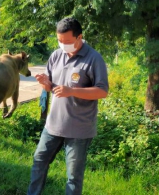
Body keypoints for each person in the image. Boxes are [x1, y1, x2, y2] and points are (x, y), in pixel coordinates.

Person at [27, 17, 109, 195]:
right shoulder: (56, 55)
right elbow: (51, 87)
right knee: (39, 161)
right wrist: (44, 83)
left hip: (79, 129)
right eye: (59, 40)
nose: (62, 45)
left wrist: (72, 91)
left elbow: (102, 91)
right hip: (53, 125)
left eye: (67, 41)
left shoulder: (94, 59)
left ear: (79, 37)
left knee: (73, 176)